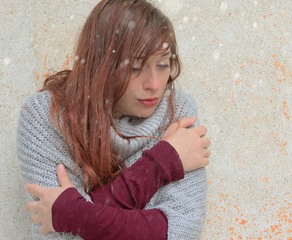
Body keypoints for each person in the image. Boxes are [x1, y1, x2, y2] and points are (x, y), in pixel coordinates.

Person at [17, 0, 211, 239]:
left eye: (163, 64)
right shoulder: (46, 116)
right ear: (101, 64)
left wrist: (75, 214)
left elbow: (182, 231)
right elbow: (60, 237)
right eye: (135, 67)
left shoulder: (177, 109)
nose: (154, 84)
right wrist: (161, 162)